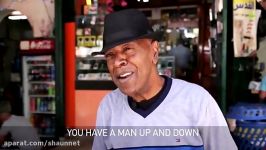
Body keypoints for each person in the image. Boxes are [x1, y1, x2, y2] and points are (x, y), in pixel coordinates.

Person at [92, 9, 237, 150]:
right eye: (110, 55)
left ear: (154, 51)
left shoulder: (197, 101)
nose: (117, 62)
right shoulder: (108, 107)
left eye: (128, 49)